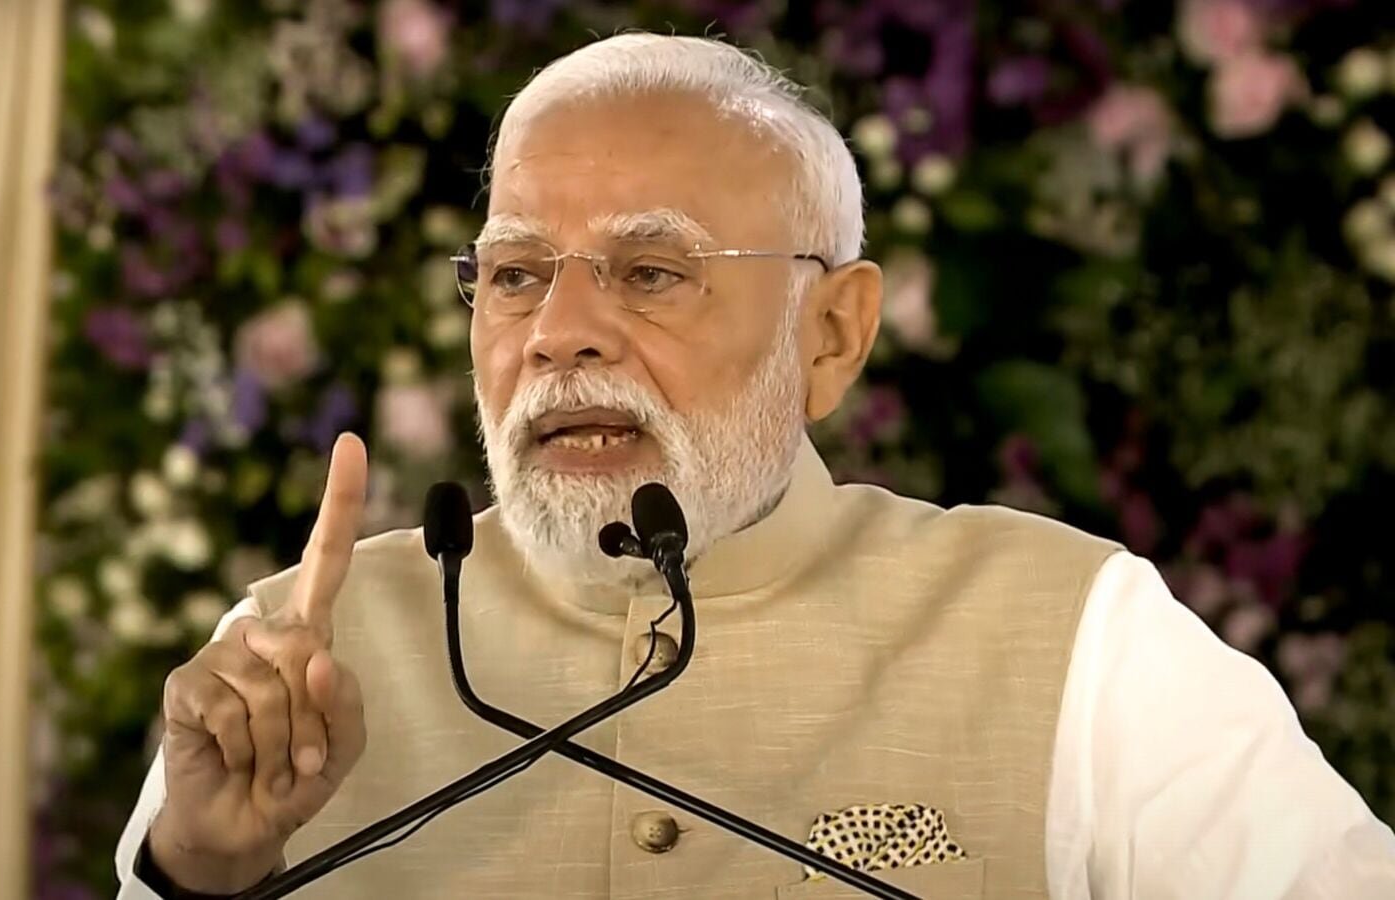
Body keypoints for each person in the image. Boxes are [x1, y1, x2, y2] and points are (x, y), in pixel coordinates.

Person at [114, 33, 1395, 899]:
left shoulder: (1079, 641)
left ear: (831, 332)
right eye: (513, 275)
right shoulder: (293, 659)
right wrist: (200, 876)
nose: (557, 333)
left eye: (650, 271)